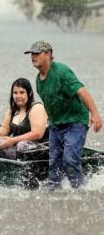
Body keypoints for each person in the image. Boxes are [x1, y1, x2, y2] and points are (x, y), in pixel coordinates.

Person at [24, 40, 102, 190]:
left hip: (75, 122)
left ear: (48, 55)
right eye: (31, 54)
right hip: (55, 124)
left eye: (36, 53)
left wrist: (95, 114)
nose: (32, 56)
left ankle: (80, 191)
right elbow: (50, 104)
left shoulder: (61, 72)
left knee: (70, 160)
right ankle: (54, 192)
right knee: (54, 163)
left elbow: (82, 91)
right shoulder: (38, 79)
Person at [0, 78, 48, 159]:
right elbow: (4, 128)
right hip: (17, 145)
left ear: (29, 93)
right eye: (15, 93)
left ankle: (21, 169)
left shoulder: (37, 108)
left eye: (22, 92)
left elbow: (37, 134)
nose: (18, 96)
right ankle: (1, 167)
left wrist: (12, 141)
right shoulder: (12, 111)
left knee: (22, 145)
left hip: (40, 148)